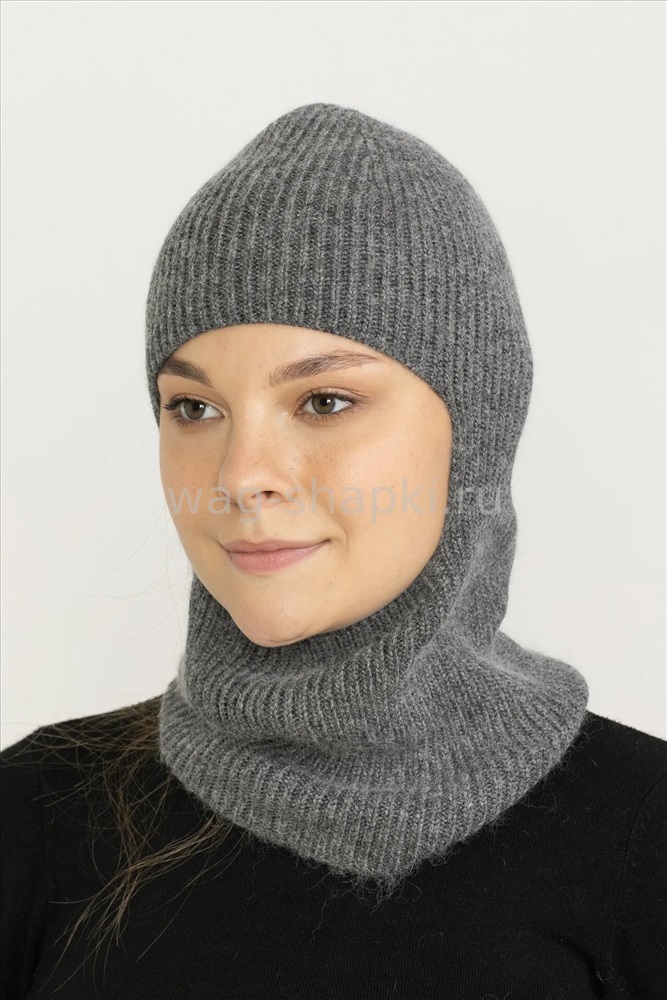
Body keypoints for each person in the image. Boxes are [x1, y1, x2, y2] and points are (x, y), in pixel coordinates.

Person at [2, 102, 665, 999]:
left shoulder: (640, 835)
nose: (240, 476)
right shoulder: (33, 818)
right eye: (194, 408)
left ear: (473, 432)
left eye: (324, 402)